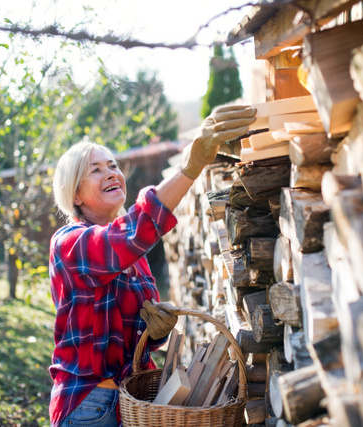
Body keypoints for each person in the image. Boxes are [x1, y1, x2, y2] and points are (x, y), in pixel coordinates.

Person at [48, 104, 256, 427]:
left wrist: (155, 333)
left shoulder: (136, 256)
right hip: (89, 406)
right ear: (75, 194)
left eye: (113, 165)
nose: (111, 173)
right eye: (96, 170)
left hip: (134, 401)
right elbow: (128, 235)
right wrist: (190, 166)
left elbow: (136, 333)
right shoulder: (70, 244)